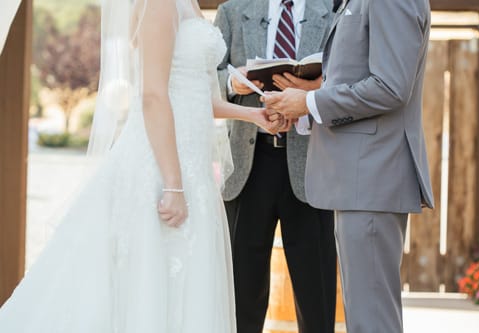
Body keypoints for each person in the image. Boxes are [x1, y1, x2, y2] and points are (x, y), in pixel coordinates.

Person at [0, 0, 287, 331]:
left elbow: (193, 95)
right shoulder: (159, 3)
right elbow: (152, 96)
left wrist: (252, 116)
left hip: (191, 169)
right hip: (159, 167)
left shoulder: (189, 5)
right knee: (147, 277)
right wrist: (173, 184)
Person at [263, 0, 435, 332]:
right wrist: (310, 94)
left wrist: (311, 102)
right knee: (363, 318)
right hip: (360, 180)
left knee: (372, 320)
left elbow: (390, 87)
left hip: (372, 176)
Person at [214, 1, 337, 332]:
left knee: (316, 293)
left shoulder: (333, 11)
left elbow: (344, 79)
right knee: (242, 291)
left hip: (311, 165)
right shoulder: (232, 11)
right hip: (248, 165)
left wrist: (310, 92)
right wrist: (232, 82)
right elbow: (204, 76)